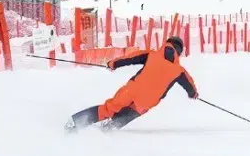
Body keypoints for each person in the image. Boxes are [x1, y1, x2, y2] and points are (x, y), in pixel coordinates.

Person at [65, 36, 198, 132]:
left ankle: (75, 123)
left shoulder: (151, 54)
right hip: (146, 102)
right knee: (127, 116)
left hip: (132, 91)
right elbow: (190, 86)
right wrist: (193, 94)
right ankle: (105, 131)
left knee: (109, 108)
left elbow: (129, 58)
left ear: (165, 45)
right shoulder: (180, 71)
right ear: (179, 52)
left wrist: (113, 64)